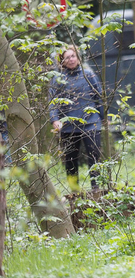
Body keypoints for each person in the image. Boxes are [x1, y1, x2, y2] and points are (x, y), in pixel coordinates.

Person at [49, 45, 104, 192]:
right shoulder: (58, 79)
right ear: (62, 61)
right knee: (71, 161)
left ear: (78, 58)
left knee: (94, 157)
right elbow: (52, 101)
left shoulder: (89, 75)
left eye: (73, 56)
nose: (71, 59)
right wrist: (55, 119)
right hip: (68, 127)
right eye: (67, 57)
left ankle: (96, 189)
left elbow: (99, 97)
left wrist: (103, 117)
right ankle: (74, 192)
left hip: (91, 123)